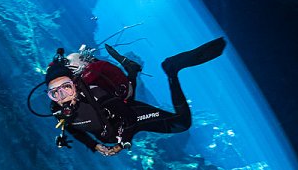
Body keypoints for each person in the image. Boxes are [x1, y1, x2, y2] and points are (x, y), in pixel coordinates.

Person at [45, 37, 227, 156]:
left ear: (75, 84)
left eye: (67, 87)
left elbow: (130, 118)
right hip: (114, 120)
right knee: (125, 97)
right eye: (55, 93)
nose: (63, 96)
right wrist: (94, 146)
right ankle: (132, 71)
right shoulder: (57, 109)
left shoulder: (95, 94)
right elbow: (72, 129)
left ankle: (171, 70)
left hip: (127, 117)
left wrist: (123, 143)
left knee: (182, 123)